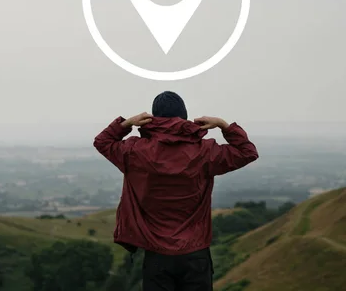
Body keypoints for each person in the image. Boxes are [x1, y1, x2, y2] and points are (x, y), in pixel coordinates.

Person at [93, 91, 259, 291]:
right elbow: (247, 152)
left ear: (152, 118)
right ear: (185, 116)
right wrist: (224, 125)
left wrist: (126, 124)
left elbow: (102, 141)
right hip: (196, 254)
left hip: (156, 255)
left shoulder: (134, 151)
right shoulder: (205, 151)